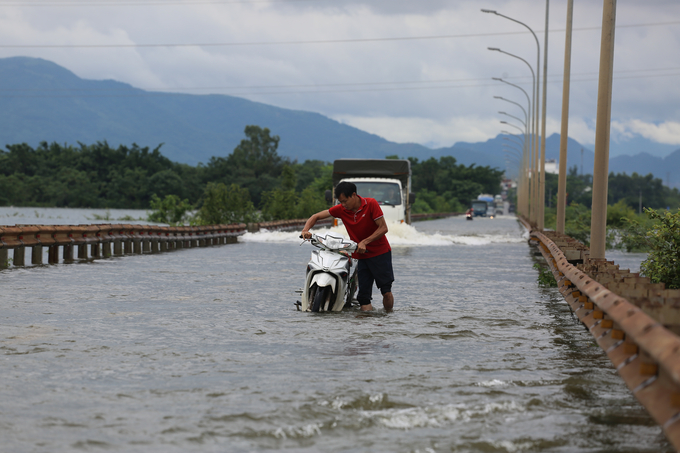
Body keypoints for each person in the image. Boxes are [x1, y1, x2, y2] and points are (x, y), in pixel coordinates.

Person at [301, 181, 394, 312]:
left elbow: (383, 228)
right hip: (362, 256)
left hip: (380, 253)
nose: (343, 205)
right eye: (340, 202)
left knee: (386, 291)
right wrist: (305, 230)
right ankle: (366, 326)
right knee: (363, 298)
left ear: (354, 195)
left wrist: (364, 242)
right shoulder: (342, 209)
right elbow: (316, 216)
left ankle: (389, 318)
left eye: (345, 201)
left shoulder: (371, 204)